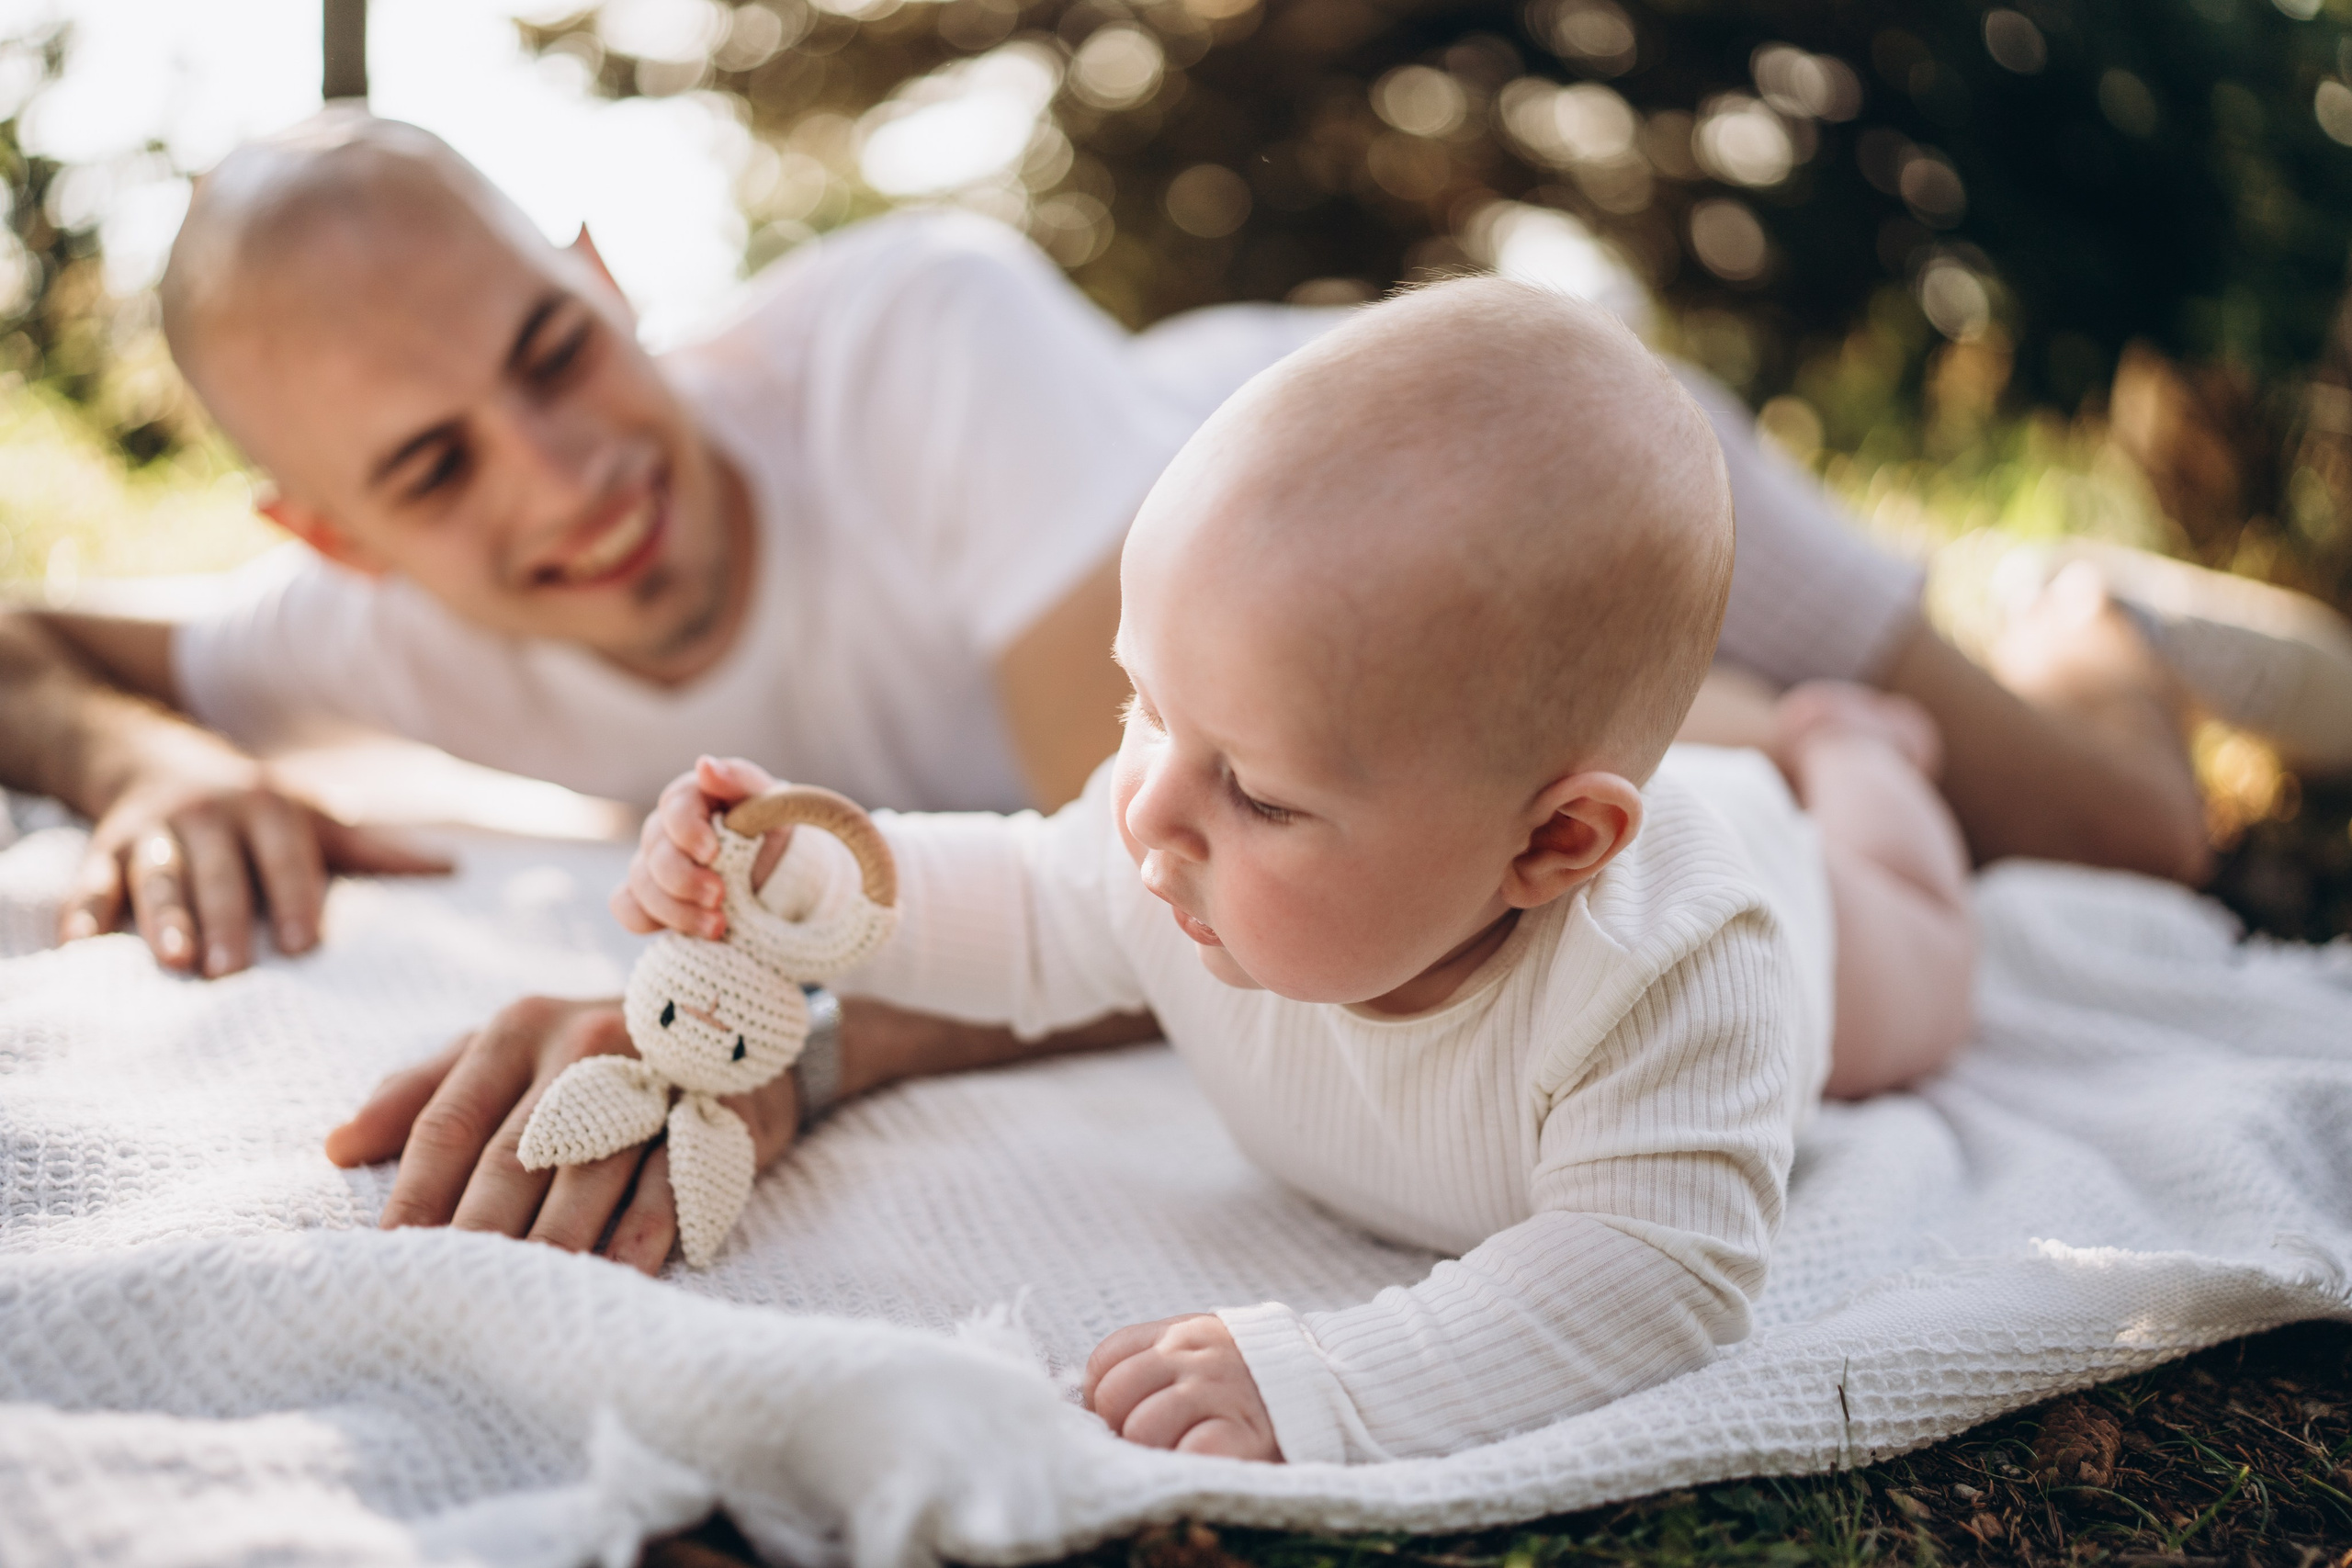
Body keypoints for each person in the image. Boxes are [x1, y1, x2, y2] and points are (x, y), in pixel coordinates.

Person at [0, 109, 2273, 1265]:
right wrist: (146, 760)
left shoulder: (910, 333)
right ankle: (1810, 745)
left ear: (599, 273)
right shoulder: (365, 639)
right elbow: (30, 638)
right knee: (1705, 817)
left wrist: (773, 1017)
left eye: (552, 345)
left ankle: (2092, 614)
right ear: (334, 538)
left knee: (2117, 830)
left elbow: (1162, 867)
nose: (575, 472)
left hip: (1534, 487)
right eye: (431, 463)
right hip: (1390, 709)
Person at [597, 279, 1975, 1459]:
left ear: (1551, 848)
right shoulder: (1175, 829)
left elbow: (1657, 1272)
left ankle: (1853, 752)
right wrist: (794, 882)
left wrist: (1333, 1381)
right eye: (1145, 704)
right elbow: (1020, 904)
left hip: (1802, 892)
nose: (1149, 811)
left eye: (1257, 791)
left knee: (1919, 989)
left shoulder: (1682, 966)